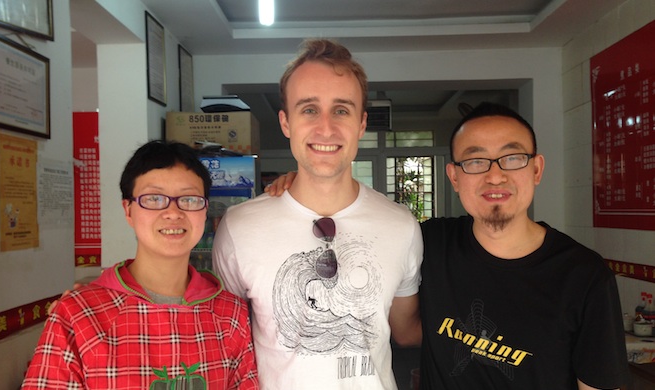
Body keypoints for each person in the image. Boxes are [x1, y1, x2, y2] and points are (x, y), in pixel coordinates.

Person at [267, 102, 629, 390]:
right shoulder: (431, 242)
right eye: (475, 161)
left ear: (536, 169)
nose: (495, 174)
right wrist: (306, 187)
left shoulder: (585, 276)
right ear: (454, 177)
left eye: (513, 157)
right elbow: (406, 329)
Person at [212, 38, 423, 389]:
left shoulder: (401, 226)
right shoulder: (239, 228)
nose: (326, 127)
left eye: (341, 110)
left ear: (361, 124)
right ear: (286, 122)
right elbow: (224, 341)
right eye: (309, 109)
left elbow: (406, 331)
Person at [22, 141, 259, 389]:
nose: (173, 212)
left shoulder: (231, 314)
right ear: (128, 210)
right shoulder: (78, 315)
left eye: (189, 199)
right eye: (154, 198)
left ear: (205, 210)